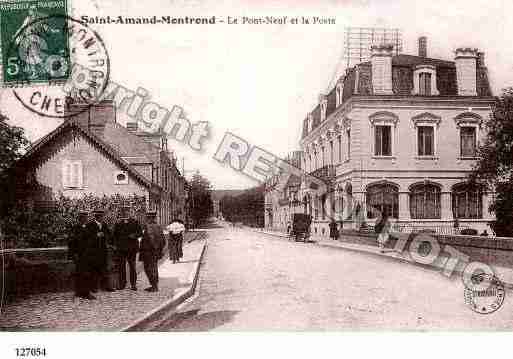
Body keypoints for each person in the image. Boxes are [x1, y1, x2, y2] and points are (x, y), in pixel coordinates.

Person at [85, 209, 114, 293]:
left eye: (102, 216)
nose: (101, 218)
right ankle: (94, 287)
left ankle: (106, 286)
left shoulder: (104, 225)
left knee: (104, 268)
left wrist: (107, 237)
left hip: (103, 250)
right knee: (94, 269)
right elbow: (87, 237)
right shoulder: (90, 225)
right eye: (100, 217)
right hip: (94, 251)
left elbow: (109, 234)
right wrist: (96, 235)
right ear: (96, 217)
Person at [113, 206, 142, 291]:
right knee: (121, 267)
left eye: (127, 211)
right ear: (121, 213)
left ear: (129, 212)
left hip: (132, 248)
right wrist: (115, 245)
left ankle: (133, 284)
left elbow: (140, 233)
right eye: (124, 211)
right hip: (121, 249)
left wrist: (134, 235)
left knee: (132, 266)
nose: (125, 213)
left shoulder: (134, 222)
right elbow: (114, 235)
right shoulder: (118, 223)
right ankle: (122, 284)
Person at [68, 211, 95, 299]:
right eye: (84, 218)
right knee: (80, 273)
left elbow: (91, 240)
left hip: (87, 254)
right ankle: (82, 292)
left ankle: (85, 291)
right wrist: (74, 254)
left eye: (86, 218)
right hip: (79, 254)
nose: (86, 219)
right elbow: (71, 242)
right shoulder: (75, 228)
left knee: (87, 273)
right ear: (81, 219)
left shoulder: (88, 227)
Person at [139, 211, 166, 292]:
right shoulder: (158, 226)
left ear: (149, 218)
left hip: (148, 251)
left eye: (147, 217)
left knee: (148, 268)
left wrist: (154, 248)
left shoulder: (147, 226)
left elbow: (151, 239)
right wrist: (159, 249)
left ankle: (154, 286)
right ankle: (154, 285)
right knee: (153, 268)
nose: (147, 219)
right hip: (155, 252)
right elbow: (163, 240)